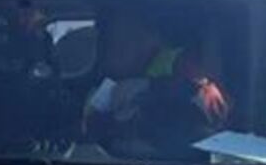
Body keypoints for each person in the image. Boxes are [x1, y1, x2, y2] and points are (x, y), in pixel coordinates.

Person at [83, 11, 229, 156]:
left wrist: (149, 87)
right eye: (113, 41)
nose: (119, 47)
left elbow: (211, 103)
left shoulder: (177, 62)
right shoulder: (99, 85)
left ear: (153, 37)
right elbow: (88, 136)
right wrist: (115, 118)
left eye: (130, 37)